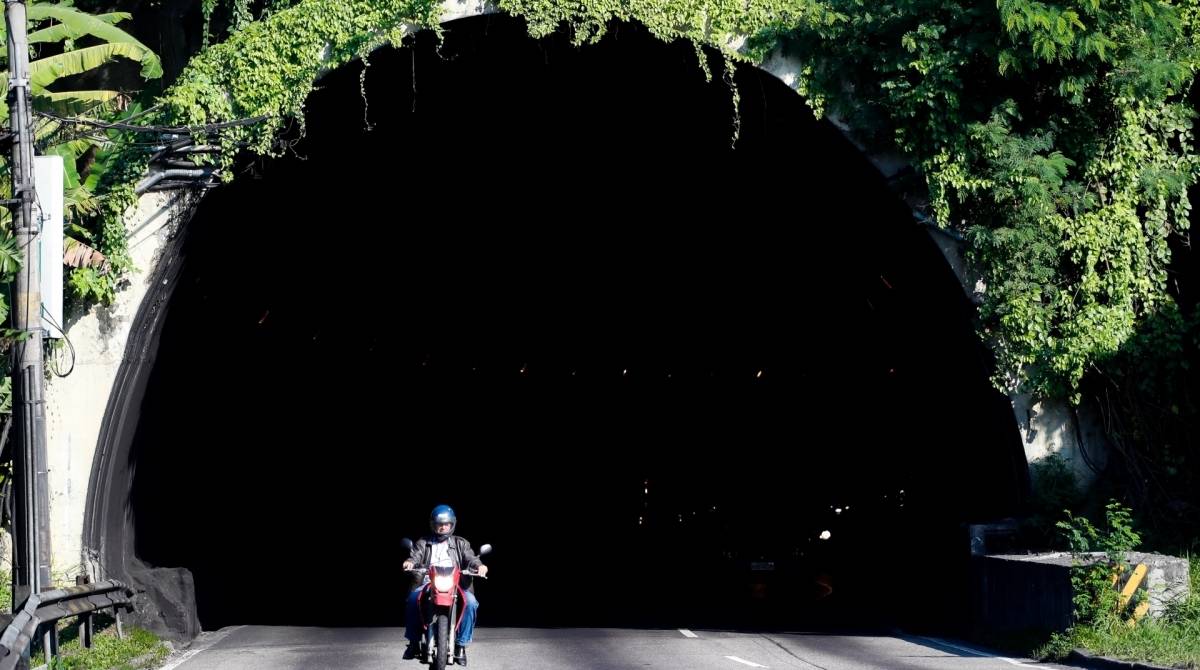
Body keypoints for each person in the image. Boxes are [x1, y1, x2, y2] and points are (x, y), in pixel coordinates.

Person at [403, 504, 488, 666]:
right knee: (413, 599)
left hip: (455, 585)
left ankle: (461, 645)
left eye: (446, 524)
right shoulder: (423, 543)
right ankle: (413, 643)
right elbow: (416, 555)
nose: (442, 527)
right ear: (433, 524)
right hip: (429, 582)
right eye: (439, 524)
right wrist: (410, 562)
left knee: (471, 603)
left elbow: (471, 557)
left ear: (452, 524)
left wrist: (479, 566)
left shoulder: (461, 543)